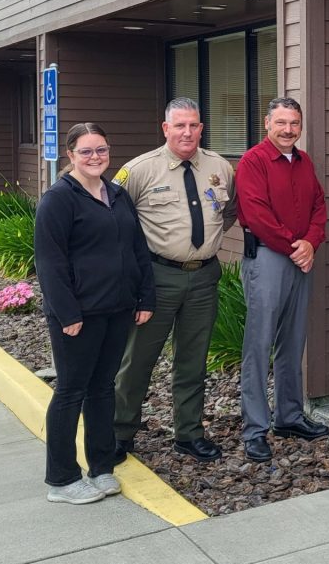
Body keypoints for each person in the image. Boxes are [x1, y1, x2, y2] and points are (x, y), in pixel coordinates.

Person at [34, 123, 156, 503]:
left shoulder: (117, 194)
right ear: (70, 155)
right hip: (78, 316)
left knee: (103, 389)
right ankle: (62, 479)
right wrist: (67, 313)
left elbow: (138, 249)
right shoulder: (58, 199)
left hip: (117, 308)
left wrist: (145, 297)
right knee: (71, 391)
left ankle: (101, 467)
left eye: (101, 150)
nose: (95, 158)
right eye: (86, 151)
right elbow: (49, 263)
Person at [112, 98, 236, 462]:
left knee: (193, 359)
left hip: (203, 278)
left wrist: (201, 247)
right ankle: (120, 432)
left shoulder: (219, 167)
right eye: (179, 125)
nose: (187, 132)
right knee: (138, 360)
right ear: (165, 128)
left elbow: (228, 212)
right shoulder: (138, 171)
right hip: (156, 279)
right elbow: (117, 223)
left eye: (194, 125)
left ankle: (188, 432)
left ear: (201, 127)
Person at [235, 97, 329, 462]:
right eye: (281, 123)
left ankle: (288, 416)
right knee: (258, 346)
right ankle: (255, 429)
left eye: (294, 123)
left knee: (293, 340)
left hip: (300, 257)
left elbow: (319, 205)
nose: (288, 130)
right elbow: (256, 214)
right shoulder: (253, 162)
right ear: (267, 123)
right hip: (269, 258)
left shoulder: (304, 162)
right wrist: (297, 246)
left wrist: (311, 241)